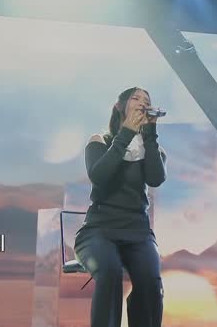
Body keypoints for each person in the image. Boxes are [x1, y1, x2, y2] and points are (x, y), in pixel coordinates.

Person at [74, 87, 167, 327]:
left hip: (138, 233)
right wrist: (126, 133)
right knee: (109, 272)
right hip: (99, 230)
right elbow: (99, 176)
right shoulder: (100, 141)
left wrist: (150, 135)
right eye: (136, 98)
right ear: (120, 106)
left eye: (147, 100)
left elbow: (155, 179)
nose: (142, 102)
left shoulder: (153, 150)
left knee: (151, 282)